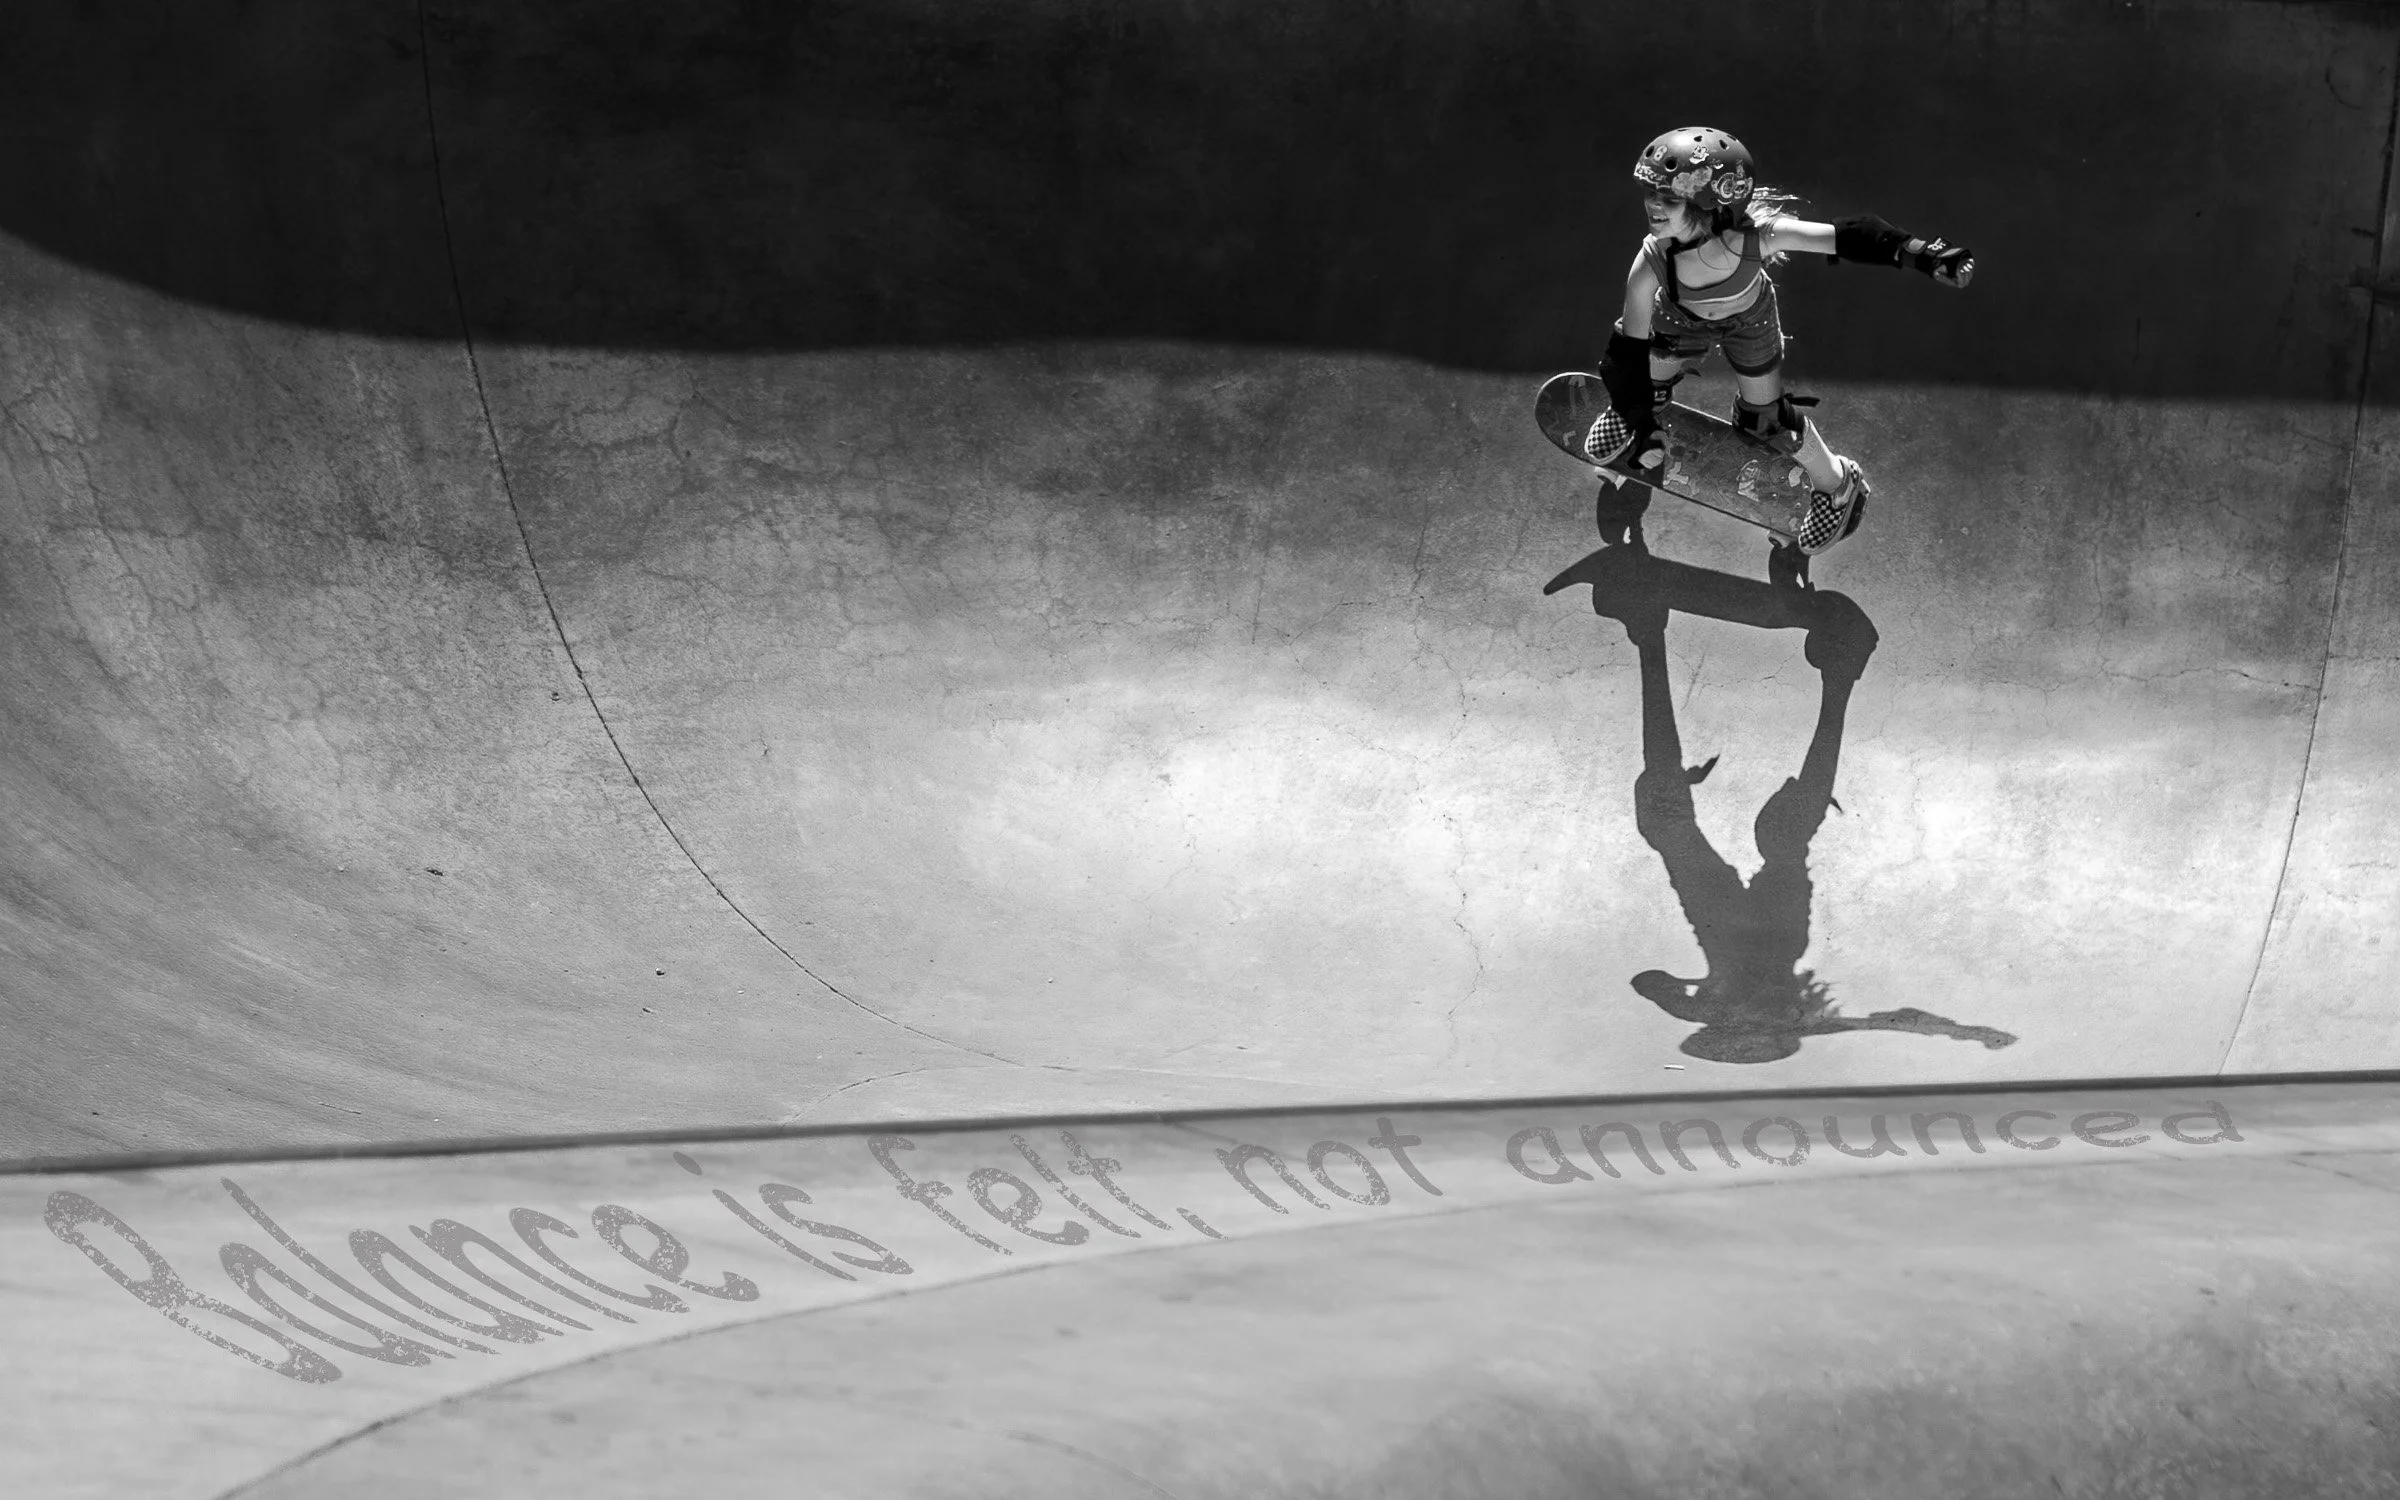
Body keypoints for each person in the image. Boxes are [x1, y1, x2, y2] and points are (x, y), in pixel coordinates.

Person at [1594, 127, 1973, 559]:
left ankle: (1837, 483)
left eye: (1669, 199)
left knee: (1764, 420)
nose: (1652, 206)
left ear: (1712, 204)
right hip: (1678, 319)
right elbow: (1624, 353)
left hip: (1749, 323)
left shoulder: (1755, 238)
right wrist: (1639, 420)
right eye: (1651, 193)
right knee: (1646, 367)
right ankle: (1648, 403)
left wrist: (1922, 253)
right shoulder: (1651, 261)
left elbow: (1849, 234)